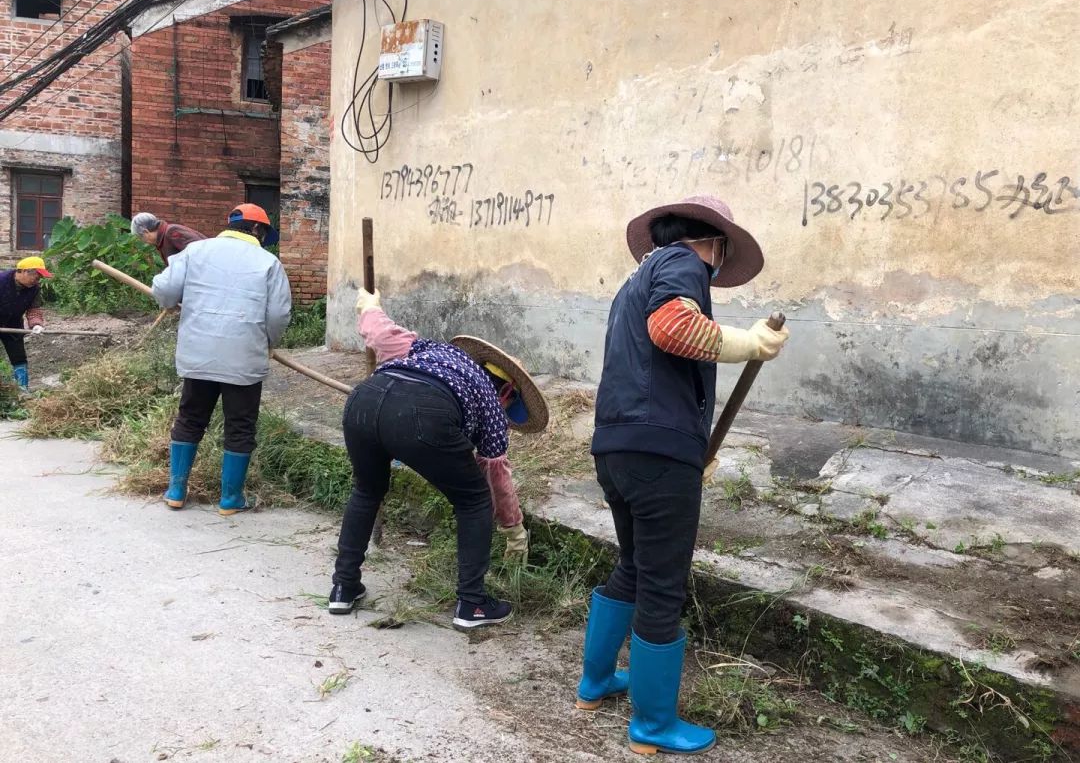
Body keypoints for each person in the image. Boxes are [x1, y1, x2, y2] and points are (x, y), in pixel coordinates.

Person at [578, 196, 790, 755]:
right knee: (662, 586)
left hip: (617, 448)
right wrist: (749, 343)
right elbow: (674, 329)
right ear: (714, 242)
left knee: (633, 564)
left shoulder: (636, 279)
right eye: (721, 255)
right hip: (656, 452)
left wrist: (690, 450)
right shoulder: (683, 263)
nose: (716, 269)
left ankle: (595, 683)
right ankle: (651, 726)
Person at [328, 288, 545, 630]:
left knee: (367, 490)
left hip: (365, 400)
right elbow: (496, 478)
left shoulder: (431, 349)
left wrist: (369, 305)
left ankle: (343, 586)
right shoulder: (491, 402)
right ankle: (472, 604)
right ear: (507, 392)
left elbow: (379, 331)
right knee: (474, 500)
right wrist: (513, 527)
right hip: (423, 413)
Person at [151, 203, 291, 515]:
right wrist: (269, 341)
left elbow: (164, 290)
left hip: (198, 354)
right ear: (257, 230)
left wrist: (171, 302)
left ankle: (176, 490)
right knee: (240, 425)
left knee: (189, 419)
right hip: (244, 356)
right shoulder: (269, 262)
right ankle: (230, 499)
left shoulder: (195, 252)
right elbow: (279, 314)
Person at [0, 257, 52, 391]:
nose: (38, 280)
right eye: (36, 276)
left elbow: (33, 309)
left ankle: (22, 390)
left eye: (40, 277)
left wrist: (36, 324)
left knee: (19, 358)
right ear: (24, 272)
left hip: (13, 325)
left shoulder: (34, 289)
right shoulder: (2, 280)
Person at [130, 212, 207, 265]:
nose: (144, 242)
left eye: (141, 238)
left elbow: (200, 253)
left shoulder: (171, 232)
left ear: (146, 232)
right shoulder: (162, 240)